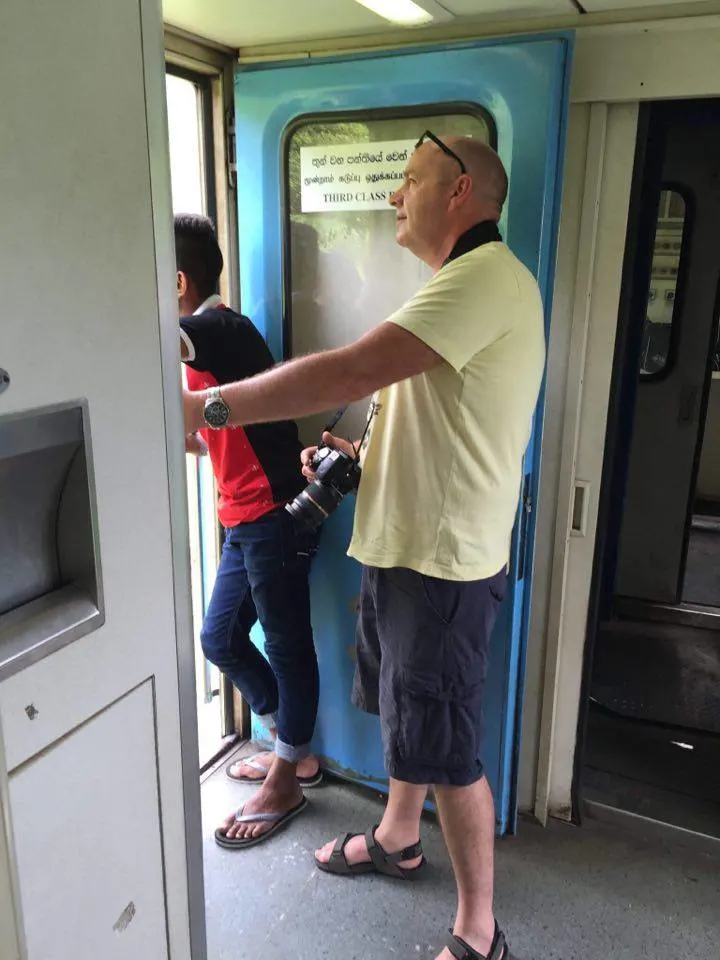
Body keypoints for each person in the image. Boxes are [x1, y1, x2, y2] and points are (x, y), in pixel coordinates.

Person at [183, 135, 545, 960]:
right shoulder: (460, 287)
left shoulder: (481, 281)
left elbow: (347, 373)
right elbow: (442, 429)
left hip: (438, 566)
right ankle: (395, 838)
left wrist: (205, 411)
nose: (394, 197)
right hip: (408, 548)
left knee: (448, 751)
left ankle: (479, 932)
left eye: (409, 180)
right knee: (409, 720)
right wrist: (356, 460)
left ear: (460, 192)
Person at [175, 214, 323, 851]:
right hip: (241, 514)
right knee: (220, 638)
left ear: (177, 283)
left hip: (271, 513)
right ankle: (290, 750)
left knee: (288, 644)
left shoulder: (215, 329)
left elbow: (145, 339)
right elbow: (218, 429)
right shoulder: (212, 341)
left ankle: (287, 774)